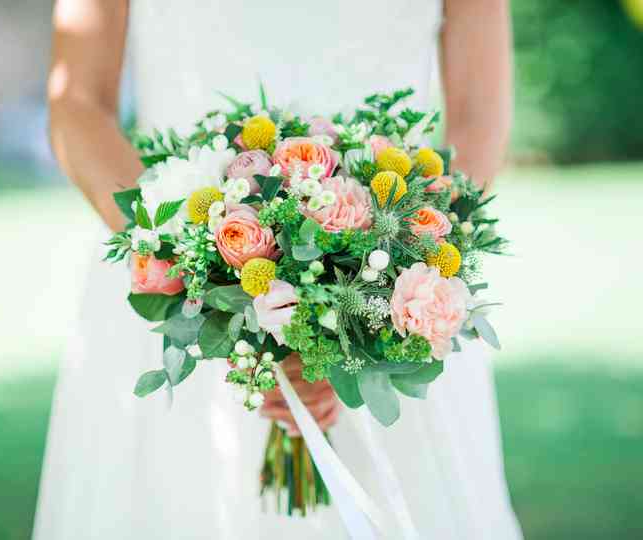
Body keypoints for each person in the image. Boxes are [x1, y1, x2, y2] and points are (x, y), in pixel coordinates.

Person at [35, 1, 522, 538]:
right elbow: (76, 102)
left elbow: (478, 114)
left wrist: (387, 294)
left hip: (396, 298)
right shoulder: (184, 269)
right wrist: (192, 267)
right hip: (173, 296)